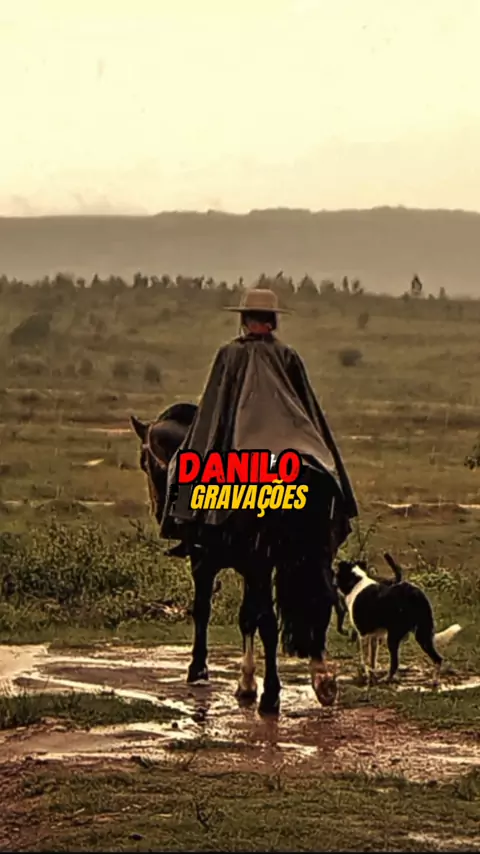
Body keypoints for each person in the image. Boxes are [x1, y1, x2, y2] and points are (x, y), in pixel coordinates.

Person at [161, 287, 358, 557]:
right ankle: (339, 516)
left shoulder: (230, 354)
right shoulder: (287, 354)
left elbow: (214, 408)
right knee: (327, 469)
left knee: (184, 464)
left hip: (243, 443)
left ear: (244, 319)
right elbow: (308, 406)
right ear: (273, 321)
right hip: (299, 443)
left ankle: (188, 531)